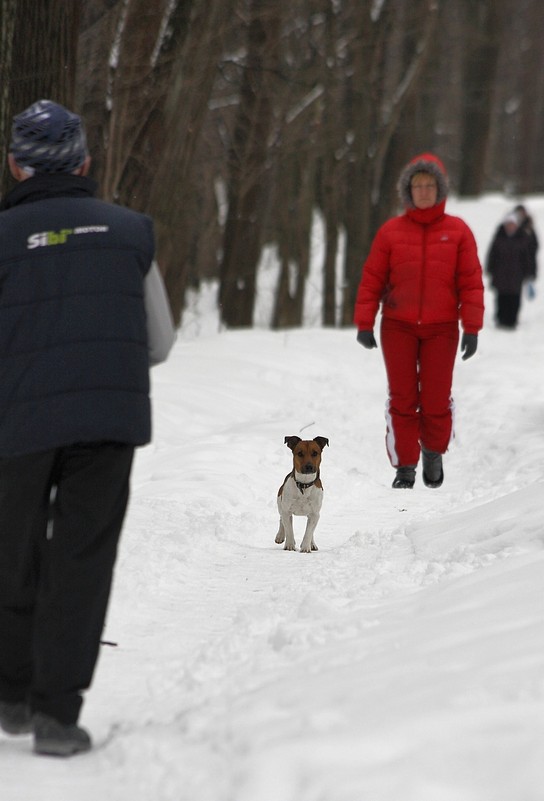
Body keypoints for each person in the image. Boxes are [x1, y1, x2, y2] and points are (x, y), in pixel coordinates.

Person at [0, 100, 176, 756]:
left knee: (10, 551)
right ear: (85, 160)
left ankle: (11, 694)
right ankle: (55, 715)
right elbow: (158, 342)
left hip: (13, 421)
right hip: (106, 419)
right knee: (81, 558)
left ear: (15, 165)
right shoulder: (131, 231)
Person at [354, 153, 484, 490]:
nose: (423, 191)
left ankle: (433, 451)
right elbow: (372, 279)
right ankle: (406, 466)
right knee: (402, 397)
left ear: (439, 189)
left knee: (436, 398)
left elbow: (470, 282)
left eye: (429, 185)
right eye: (417, 185)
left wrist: (471, 328)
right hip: (398, 326)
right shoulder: (391, 232)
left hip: (441, 329)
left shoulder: (458, 231)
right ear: (407, 191)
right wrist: (365, 322)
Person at [486, 206, 538, 328]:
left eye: (512, 224)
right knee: (501, 297)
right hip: (500, 274)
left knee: (514, 298)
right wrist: (490, 268)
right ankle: (500, 319)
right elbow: (492, 254)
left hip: (516, 275)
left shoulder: (523, 238)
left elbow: (527, 257)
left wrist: (529, 272)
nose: (510, 226)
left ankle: (512, 320)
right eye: (508, 224)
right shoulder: (499, 238)